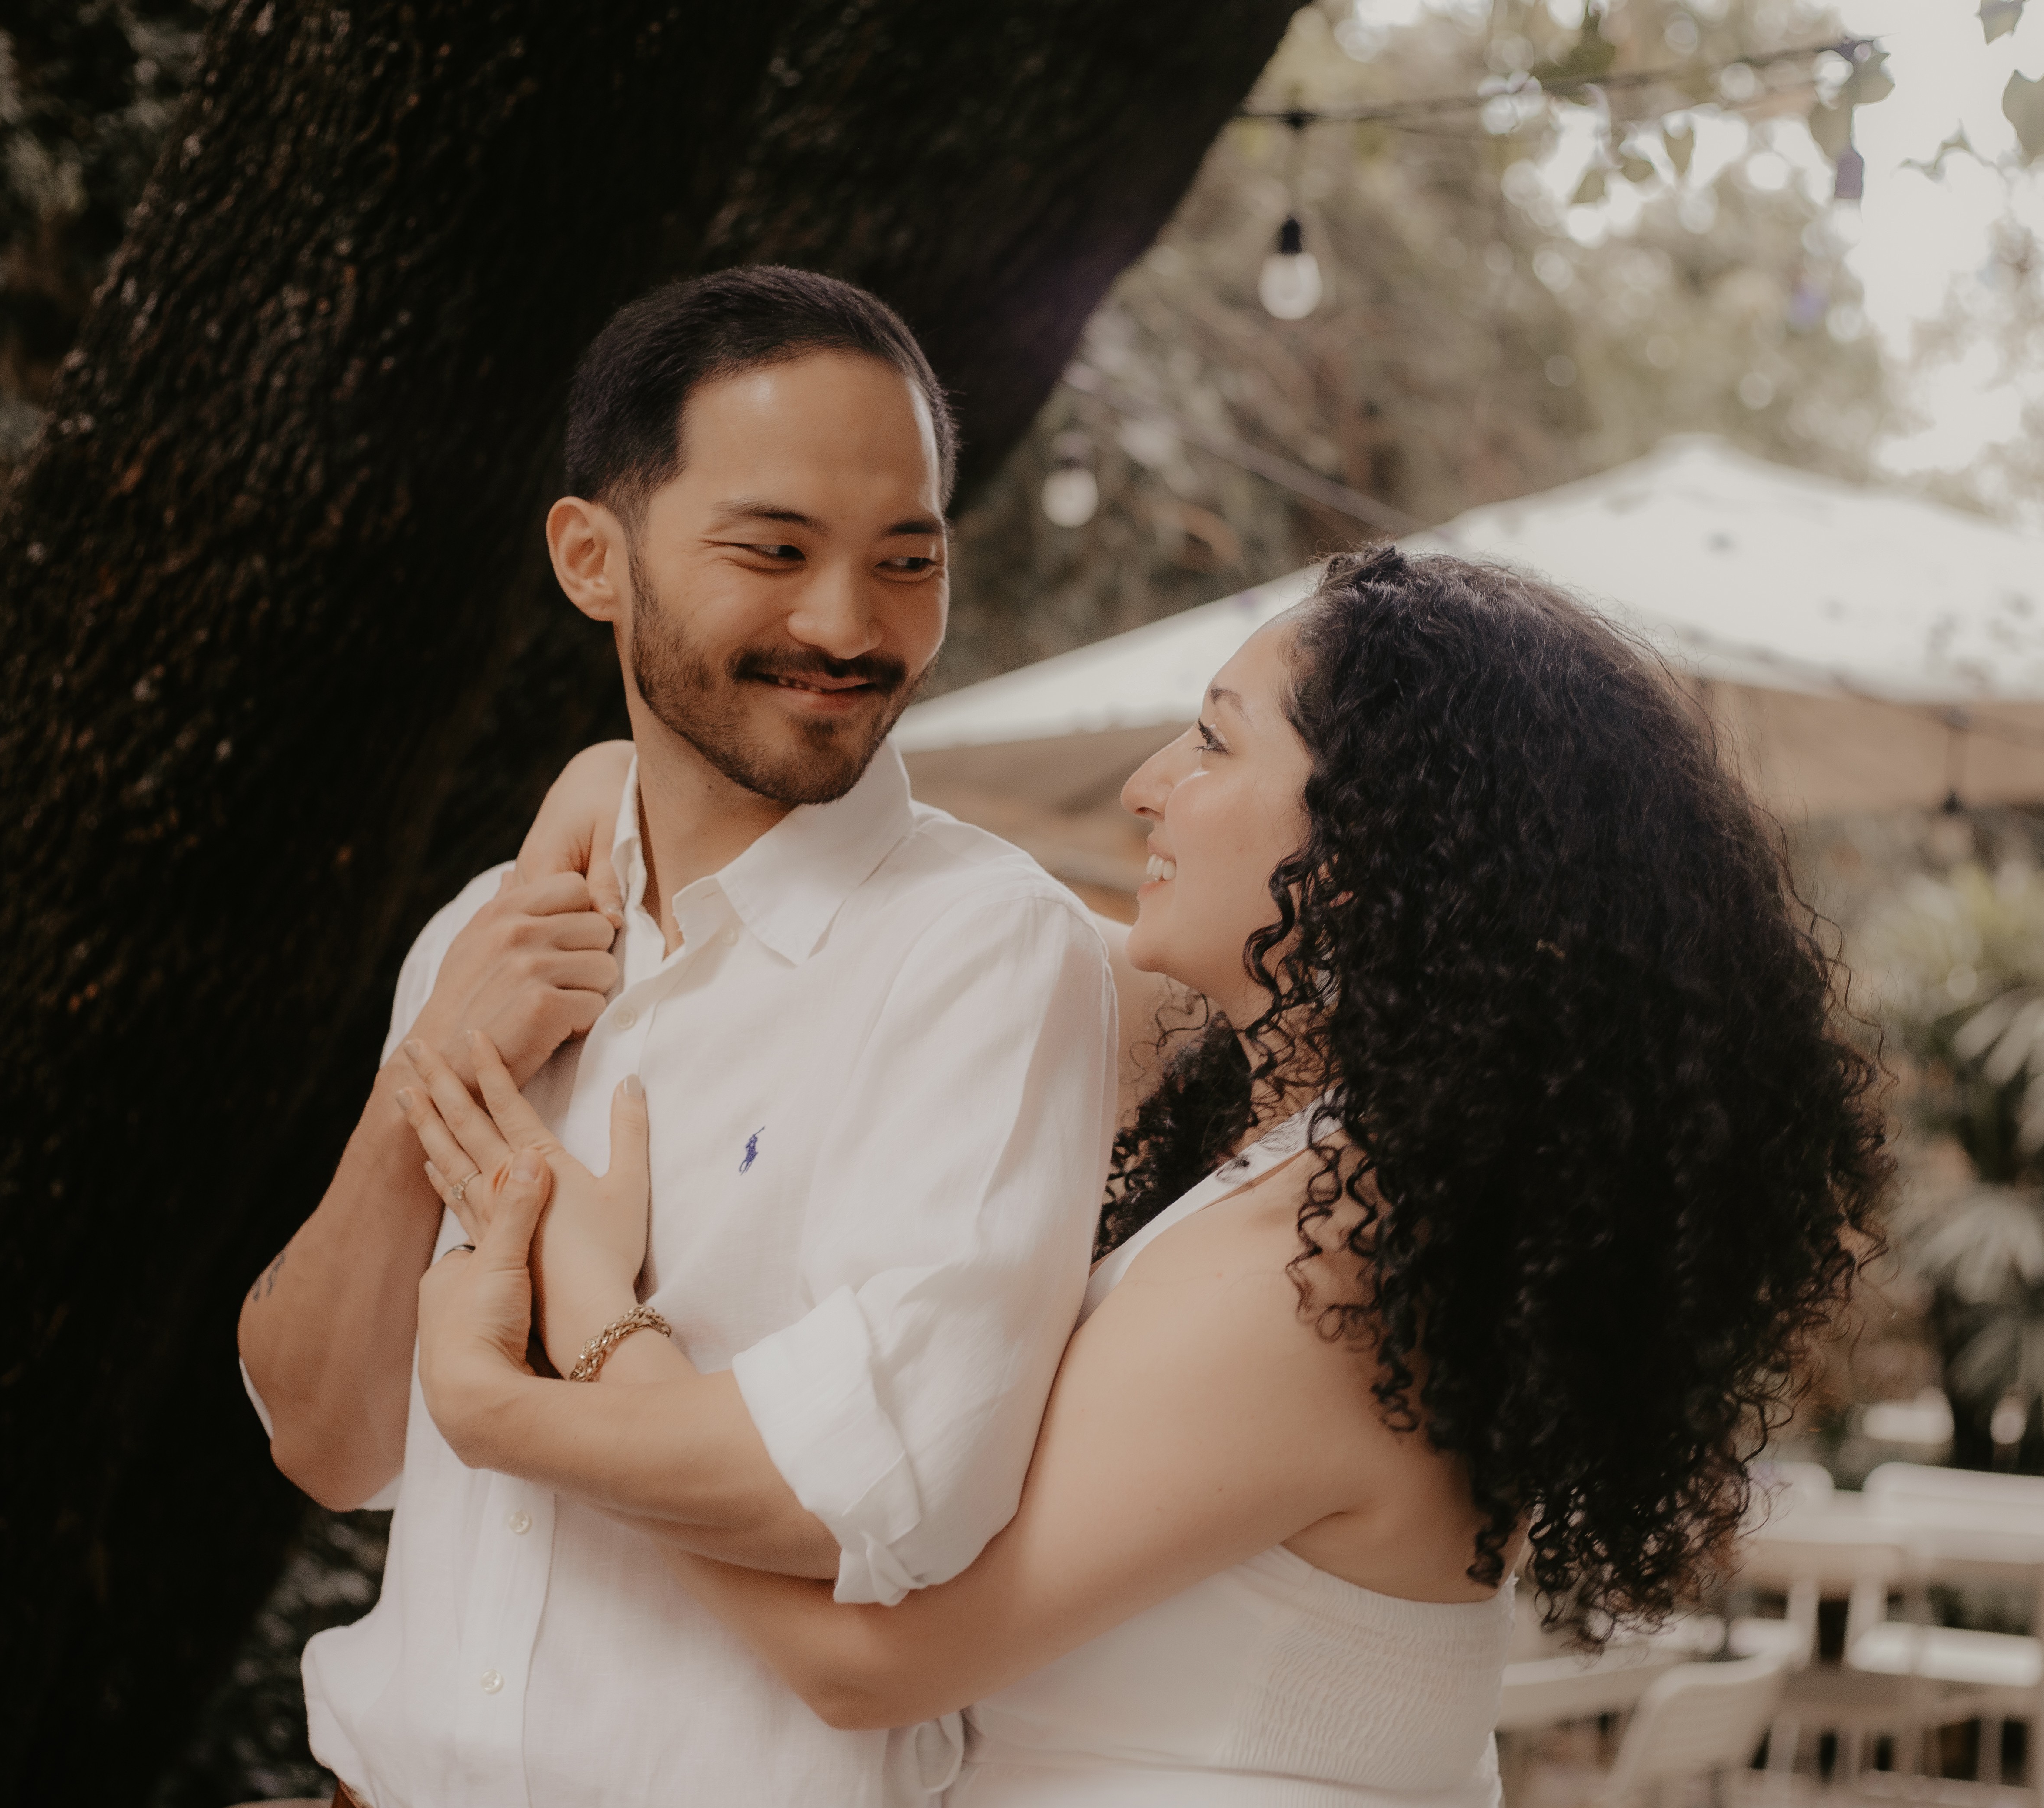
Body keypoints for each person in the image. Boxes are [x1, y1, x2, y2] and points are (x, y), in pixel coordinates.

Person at [404, 544, 1889, 1804]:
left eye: (1215, 742)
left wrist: (565, 1345)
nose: (1146, 788)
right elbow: (847, 879)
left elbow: (866, 1661)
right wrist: (598, 799)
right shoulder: (1333, 1148)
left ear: (1370, 851)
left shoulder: (1321, 1276)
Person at [235, 267, 1119, 1808]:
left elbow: (886, 1490)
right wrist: (422, 1085)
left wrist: (532, 1389)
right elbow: (326, 1441)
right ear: (593, 557)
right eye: (772, 550)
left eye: (906, 562)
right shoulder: (481, 939)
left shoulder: (986, 951)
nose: (849, 627)